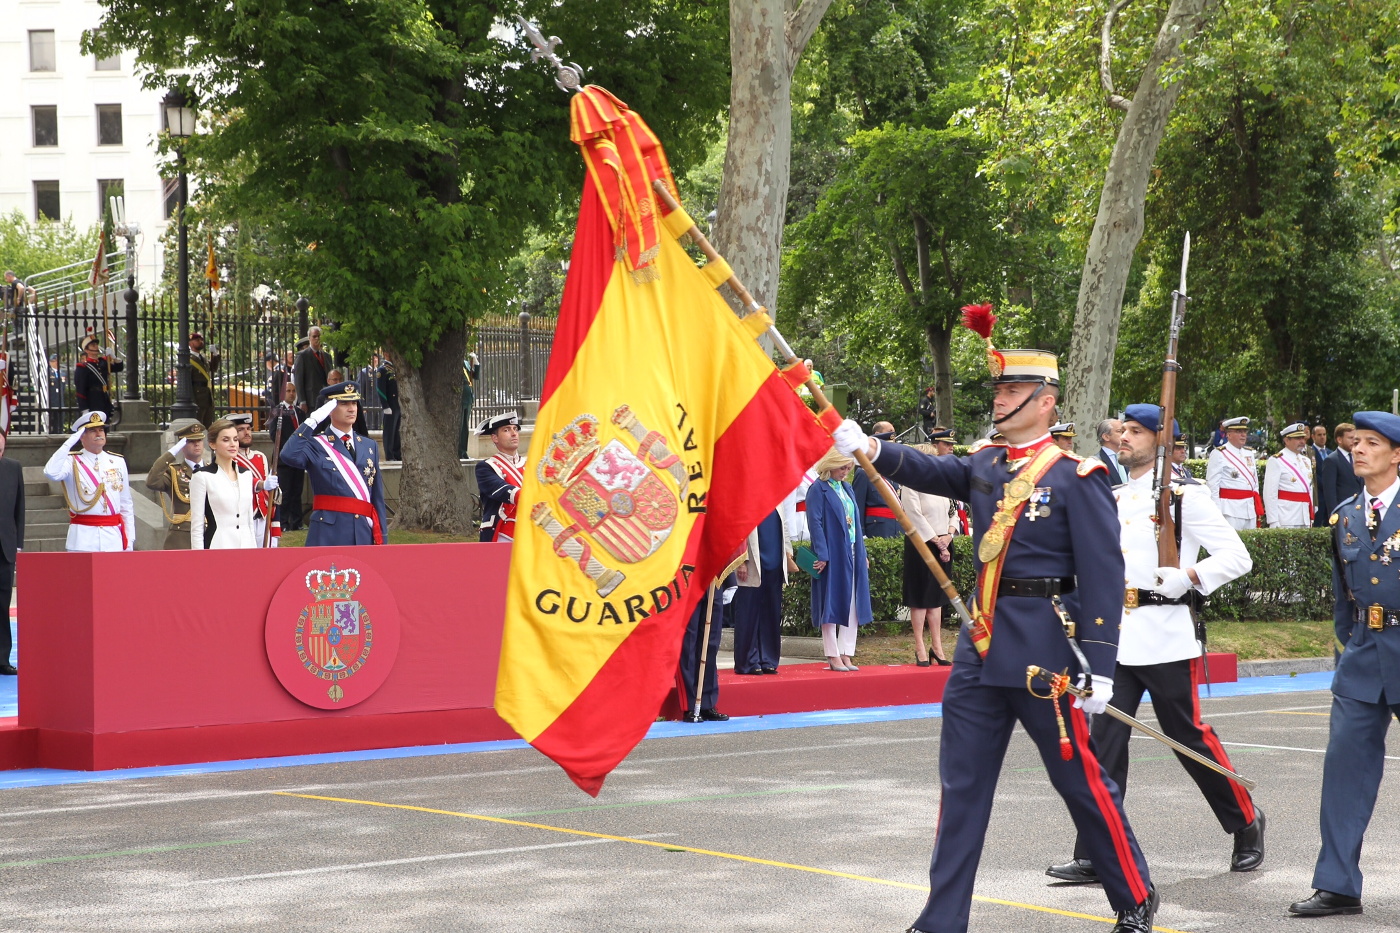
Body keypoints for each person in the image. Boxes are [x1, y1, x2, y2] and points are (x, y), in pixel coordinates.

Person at [833, 336, 1158, 933]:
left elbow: (1104, 574)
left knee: (1076, 778)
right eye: (999, 390)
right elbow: (935, 468)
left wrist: (1103, 664)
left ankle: (1134, 895)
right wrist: (874, 448)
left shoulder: (1076, 476)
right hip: (979, 647)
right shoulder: (986, 463)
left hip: (1045, 651)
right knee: (961, 787)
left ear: (1045, 402)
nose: (1000, 398)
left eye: (1011, 390)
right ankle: (942, 918)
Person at [1045, 404, 1262, 885]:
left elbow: (1237, 556)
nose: (1124, 437)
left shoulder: (1186, 497)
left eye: (1136, 431)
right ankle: (1096, 851)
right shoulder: (1115, 495)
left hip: (1165, 635)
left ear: (1162, 440)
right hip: (1114, 640)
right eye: (1122, 429)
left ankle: (1245, 821)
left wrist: (1189, 575)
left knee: (1189, 740)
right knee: (1101, 744)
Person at [1288, 411, 1400, 917]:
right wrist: (1347, 649)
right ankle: (1337, 884)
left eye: (1371, 443)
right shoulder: (1346, 515)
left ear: (1396, 454)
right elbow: (1343, 598)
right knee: (1344, 772)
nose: (1358, 449)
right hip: (1361, 658)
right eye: (1356, 442)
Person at [279, 382, 387, 546]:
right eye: (343, 403)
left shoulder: (368, 445)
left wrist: (382, 538)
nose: (351, 408)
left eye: (354, 403)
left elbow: (376, 496)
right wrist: (312, 421)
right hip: (329, 533)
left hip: (363, 531)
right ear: (328, 409)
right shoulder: (316, 444)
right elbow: (288, 455)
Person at [805, 448, 873, 672]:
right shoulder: (817, 489)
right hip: (833, 552)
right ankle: (832, 654)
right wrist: (822, 554)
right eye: (842, 467)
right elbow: (815, 523)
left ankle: (846, 652)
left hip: (852, 550)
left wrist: (862, 554)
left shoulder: (847, 487)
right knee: (831, 602)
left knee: (853, 603)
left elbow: (856, 522)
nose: (846, 472)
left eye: (848, 468)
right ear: (830, 464)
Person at [44, 411, 134, 552]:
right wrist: (69, 443)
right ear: (81, 436)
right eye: (92, 430)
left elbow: (126, 504)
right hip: (82, 539)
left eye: (101, 429)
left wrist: (130, 539)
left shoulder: (117, 461)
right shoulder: (71, 461)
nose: (99, 433)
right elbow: (51, 472)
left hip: (113, 538)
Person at [899, 442, 953, 666]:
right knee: (921, 597)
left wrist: (949, 536)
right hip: (922, 543)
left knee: (937, 598)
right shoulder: (910, 485)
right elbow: (914, 515)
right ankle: (920, 646)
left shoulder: (940, 483)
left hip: (945, 541)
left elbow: (954, 511)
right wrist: (936, 542)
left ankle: (937, 647)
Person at [191, 419, 276, 549]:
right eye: (226, 440)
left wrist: (255, 552)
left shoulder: (246, 475)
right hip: (218, 546)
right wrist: (198, 559)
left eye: (235, 439)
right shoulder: (202, 476)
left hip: (247, 547)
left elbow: (249, 522)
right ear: (213, 444)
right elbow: (197, 526)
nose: (233, 444)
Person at [731, 508, 794, 675]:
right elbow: (737, 528)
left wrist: (788, 552)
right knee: (748, 614)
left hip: (775, 563)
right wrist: (740, 561)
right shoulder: (748, 495)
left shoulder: (778, 497)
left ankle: (768, 659)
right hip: (753, 564)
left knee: (771, 614)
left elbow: (784, 526)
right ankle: (748, 661)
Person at [677, 575, 734, 722]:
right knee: (688, 643)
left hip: (714, 581)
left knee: (711, 643)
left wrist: (730, 580)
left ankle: (707, 702)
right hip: (687, 578)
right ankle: (690, 704)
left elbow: (723, 552)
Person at [145, 422, 206, 549]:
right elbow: (152, 481)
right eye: (190, 441)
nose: (196, 444)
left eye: (199, 440)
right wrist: (172, 453)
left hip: (211, 532)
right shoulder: (174, 472)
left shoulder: (213, 470)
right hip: (183, 536)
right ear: (182, 446)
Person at [476, 412, 525, 542]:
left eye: (515, 429)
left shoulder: (531, 465)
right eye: (506, 430)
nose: (514, 433)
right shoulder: (486, 467)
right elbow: (501, 489)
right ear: (495, 438)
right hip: (503, 533)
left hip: (529, 532)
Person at [1207, 416, 1261, 531]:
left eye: (1244, 431)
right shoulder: (1219, 453)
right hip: (1230, 510)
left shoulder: (1249, 453)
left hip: (1249, 510)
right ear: (1228, 434)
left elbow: (1254, 483)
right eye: (1238, 431)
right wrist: (1216, 512)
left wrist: (1255, 506)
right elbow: (1213, 486)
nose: (1243, 435)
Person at [228, 413, 275, 545]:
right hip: (241, 518)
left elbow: (268, 494)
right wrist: (261, 484)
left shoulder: (260, 457)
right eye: (241, 430)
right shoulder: (229, 458)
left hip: (262, 517)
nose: (246, 433)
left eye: (248, 429)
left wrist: (274, 523)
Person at [0, 431, 24, 674]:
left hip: (4, 548)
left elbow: (20, 509)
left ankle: (2, 659)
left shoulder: (13, 468)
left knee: (2, 605)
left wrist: (18, 545)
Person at [852, 421, 901, 538]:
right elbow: (858, 506)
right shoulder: (864, 473)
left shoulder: (896, 472)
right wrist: (861, 534)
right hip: (876, 531)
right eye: (890, 431)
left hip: (897, 529)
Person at [1263, 422, 1315, 528]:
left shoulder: (1306, 460)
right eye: (1297, 438)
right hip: (1286, 517)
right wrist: (1273, 521)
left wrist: (1310, 514)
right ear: (1286, 440)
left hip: (1304, 516)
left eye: (1303, 438)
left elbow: (1309, 490)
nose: (1302, 441)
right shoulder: (1277, 460)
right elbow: (1270, 494)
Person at [267, 383, 304, 532]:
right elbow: (274, 434)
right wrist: (290, 447)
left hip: (299, 459)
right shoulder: (277, 411)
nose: (291, 394)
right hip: (284, 458)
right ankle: (282, 522)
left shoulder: (299, 413)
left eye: (294, 391)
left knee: (297, 491)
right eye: (288, 391)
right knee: (285, 491)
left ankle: (297, 522)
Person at [1315, 422, 1361, 528]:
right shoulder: (1331, 460)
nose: (1354, 441)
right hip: (1343, 514)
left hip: (1360, 513)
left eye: (1355, 438)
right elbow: (1330, 493)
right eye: (1350, 438)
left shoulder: (1358, 457)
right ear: (1339, 440)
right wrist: (1335, 518)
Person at [73, 335, 123, 419]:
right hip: (92, 401)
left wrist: (114, 357)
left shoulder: (102, 362)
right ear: (86, 350)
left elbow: (119, 367)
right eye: (93, 345)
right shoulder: (82, 367)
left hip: (104, 400)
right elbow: (80, 390)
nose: (96, 346)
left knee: (104, 428)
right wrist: (84, 409)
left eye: (96, 344)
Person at [293, 326, 330, 416]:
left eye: (319, 336)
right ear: (309, 338)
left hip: (326, 399)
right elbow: (298, 380)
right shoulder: (303, 356)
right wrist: (302, 401)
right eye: (314, 336)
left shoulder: (327, 356)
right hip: (311, 401)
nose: (317, 338)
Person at [188, 332, 220, 429]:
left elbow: (213, 368)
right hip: (197, 397)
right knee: (198, 426)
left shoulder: (202, 358)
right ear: (190, 343)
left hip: (207, 397)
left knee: (208, 425)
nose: (200, 342)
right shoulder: (189, 359)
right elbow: (188, 382)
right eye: (197, 340)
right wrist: (192, 401)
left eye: (201, 340)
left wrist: (215, 354)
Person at [457, 352, 481, 460]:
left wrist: (475, 361)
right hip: (460, 398)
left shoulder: (466, 363)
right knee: (459, 426)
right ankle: (458, 451)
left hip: (468, 398)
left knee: (465, 427)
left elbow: (476, 376)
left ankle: (463, 451)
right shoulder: (455, 364)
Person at [377, 357, 402, 461]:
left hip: (397, 404)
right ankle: (390, 455)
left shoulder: (397, 368)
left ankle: (397, 454)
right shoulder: (383, 370)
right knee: (389, 432)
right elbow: (380, 389)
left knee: (397, 431)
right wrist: (385, 406)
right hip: (390, 405)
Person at [1096, 418, 1128, 484]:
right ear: (1106, 437)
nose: (1125, 435)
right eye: (1120, 431)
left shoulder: (1129, 459)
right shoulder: (1096, 462)